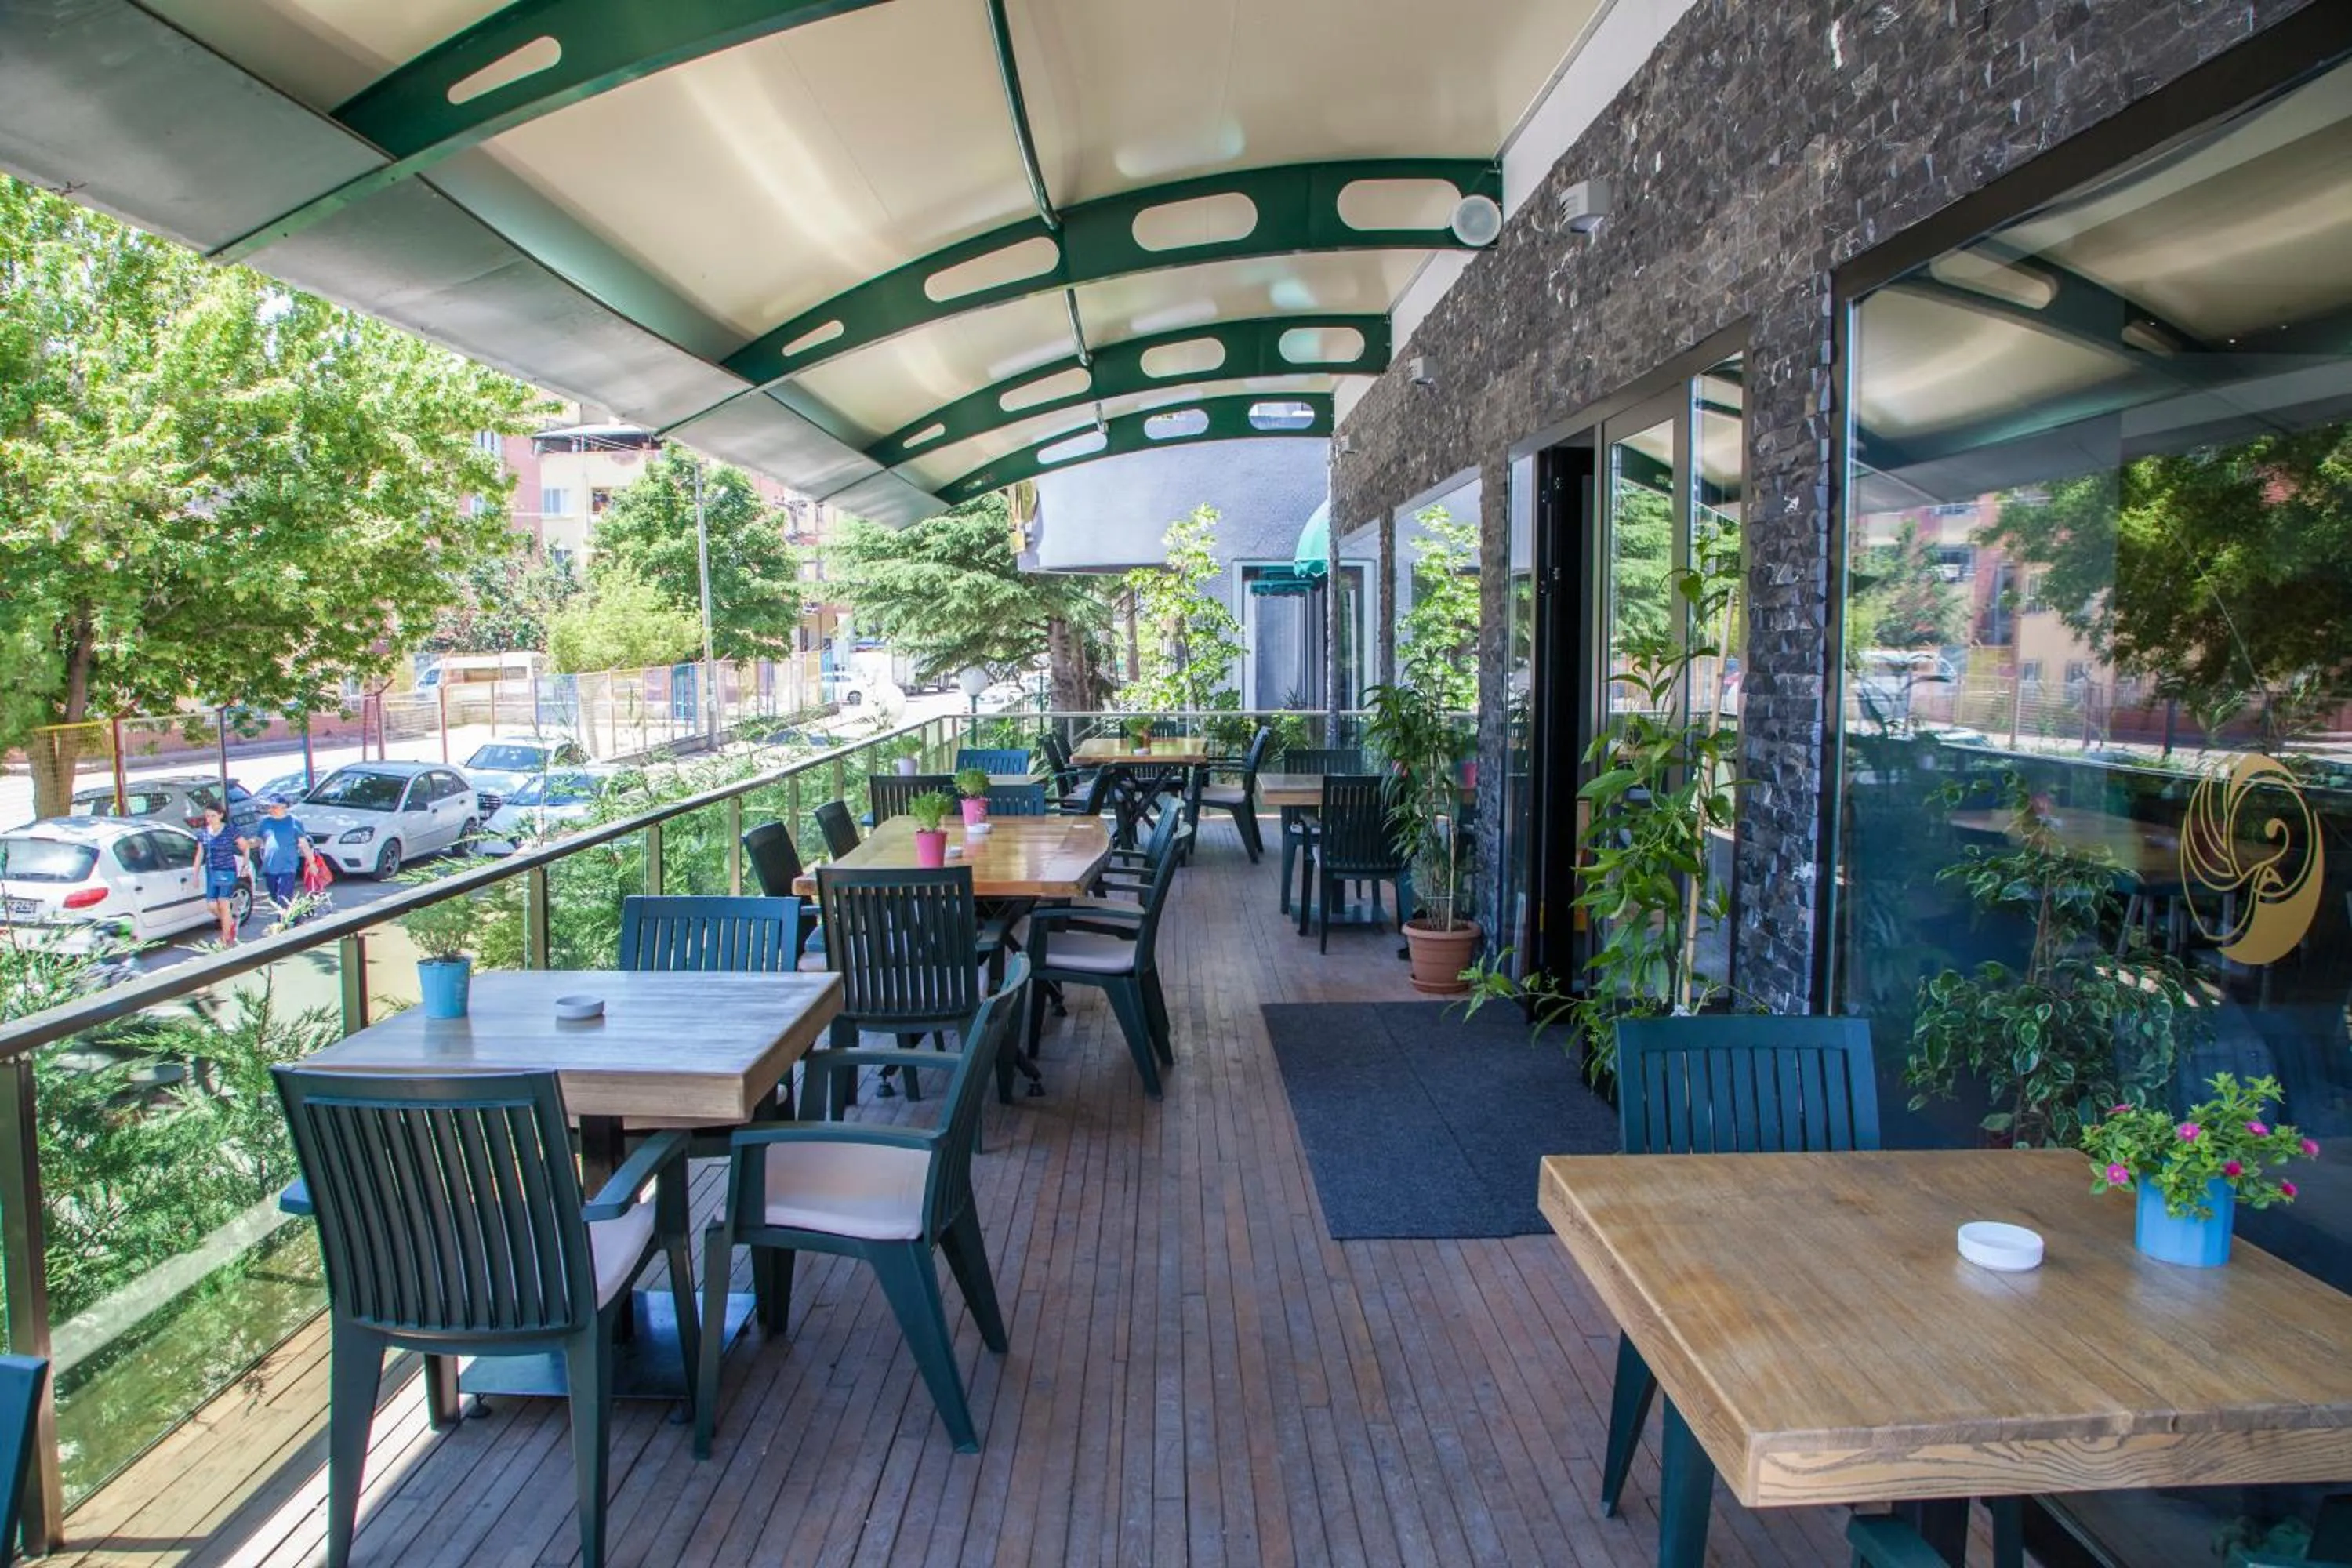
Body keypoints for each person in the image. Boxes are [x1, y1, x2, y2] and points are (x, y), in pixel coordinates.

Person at [243, 795, 316, 918]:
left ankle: (282, 925)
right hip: (270, 866)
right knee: (275, 896)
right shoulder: (266, 822)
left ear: (284, 807)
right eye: (270, 807)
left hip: (288, 865)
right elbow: (259, 840)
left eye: (275, 807)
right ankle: (297, 915)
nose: (271, 810)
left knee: (283, 896)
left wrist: (312, 863)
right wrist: (249, 843)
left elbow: (303, 843)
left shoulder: (294, 822)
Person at [190, 803, 245, 945]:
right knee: (212, 906)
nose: (210, 819)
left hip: (227, 870)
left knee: (223, 902)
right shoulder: (203, 834)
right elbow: (200, 853)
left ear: (221, 815)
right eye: (207, 816)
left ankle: (226, 937)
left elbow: (244, 846)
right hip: (212, 872)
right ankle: (229, 923)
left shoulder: (229, 830)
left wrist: (245, 863)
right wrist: (195, 873)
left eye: (213, 816)